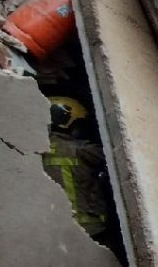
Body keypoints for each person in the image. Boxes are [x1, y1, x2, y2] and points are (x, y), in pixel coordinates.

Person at [43, 97, 109, 236]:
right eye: (79, 124)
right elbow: (118, 157)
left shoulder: (35, 150)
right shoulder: (82, 150)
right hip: (89, 229)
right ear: (68, 124)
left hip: (52, 231)